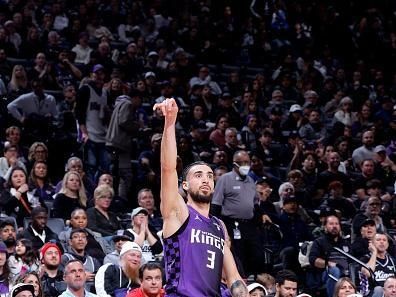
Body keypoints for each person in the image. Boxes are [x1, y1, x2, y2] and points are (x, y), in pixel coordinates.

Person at [153, 98, 247, 296]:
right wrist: (170, 123)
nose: (205, 180)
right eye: (198, 175)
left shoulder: (218, 225)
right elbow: (168, 169)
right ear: (184, 185)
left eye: (210, 176)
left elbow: (233, 277)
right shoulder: (178, 211)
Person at [212, 150, 265, 276]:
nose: (246, 165)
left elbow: (255, 203)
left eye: (248, 162)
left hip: (249, 224)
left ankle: (254, 282)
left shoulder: (251, 181)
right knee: (238, 255)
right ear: (235, 164)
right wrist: (218, 227)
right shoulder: (225, 179)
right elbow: (216, 205)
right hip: (231, 223)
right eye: (243, 163)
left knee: (257, 254)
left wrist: (262, 214)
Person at [308, 215, 351, 297]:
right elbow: (312, 259)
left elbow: (352, 261)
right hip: (326, 273)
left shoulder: (346, 243)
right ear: (325, 227)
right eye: (331, 224)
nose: (334, 226)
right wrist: (328, 263)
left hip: (346, 273)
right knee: (335, 270)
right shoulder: (319, 242)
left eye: (336, 224)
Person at [361, 233, 396, 297]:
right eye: (378, 240)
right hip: (372, 293)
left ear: (387, 244)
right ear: (371, 243)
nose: (382, 242)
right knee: (379, 289)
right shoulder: (365, 259)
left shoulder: (392, 261)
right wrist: (374, 252)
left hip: (391, 292)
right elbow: (367, 273)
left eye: (384, 240)